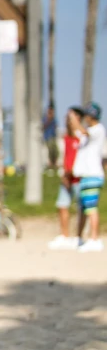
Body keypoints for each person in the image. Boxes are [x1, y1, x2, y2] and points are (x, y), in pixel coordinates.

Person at [72, 102, 105, 252]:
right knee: (83, 208)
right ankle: (79, 238)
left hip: (93, 174)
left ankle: (94, 239)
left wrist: (75, 120)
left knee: (91, 208)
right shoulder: (88, 132)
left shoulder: (98, 129)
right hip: (85, 175)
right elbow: (75, 132)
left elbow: (83, 132)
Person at [49, 108, 84, 250]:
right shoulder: (66, 137)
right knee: (62, 205)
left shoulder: (82, 136)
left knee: (82, 208)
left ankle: (80, 237)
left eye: (71, 117)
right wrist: (64, 174)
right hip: (66, 178)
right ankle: (65, 236)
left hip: (79, 178)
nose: (68, 120)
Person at [44, 105, 59, 169]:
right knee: (50, 150)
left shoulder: (54, 119)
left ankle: (54, 163)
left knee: (55, 150)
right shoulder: (45, 118)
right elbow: (43, 126)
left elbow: (56, 126)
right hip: (47, 137)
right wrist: (49, 120)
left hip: (53, 136)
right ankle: (50, 163)